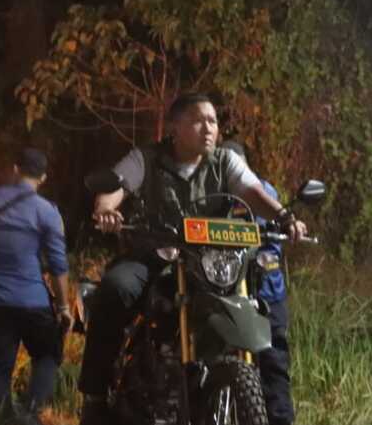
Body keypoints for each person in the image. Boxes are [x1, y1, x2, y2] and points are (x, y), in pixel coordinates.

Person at [80, 93, 307, 425]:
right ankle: (95, 396)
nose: (209, 128)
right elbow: (117, 186)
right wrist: (105, 211)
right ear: (175, 127)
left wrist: (285, 218)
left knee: (261, 307)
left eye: (213, 121)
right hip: (156, 257)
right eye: (199, 120)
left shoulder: (225, 161)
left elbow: (253, 192)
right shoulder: (147, 158)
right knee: (116, 288)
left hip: (207, 263)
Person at [0, 148, 72, 423]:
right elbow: (59, 266)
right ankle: (31, 413)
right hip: (33, 302)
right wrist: (63, 307)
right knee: (48, 354)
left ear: (15, 169)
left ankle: (3, 420)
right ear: (44, 177)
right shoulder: (48, 212)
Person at [221, 139, 295, 425]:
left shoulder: (264, 192)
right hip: (223, 289)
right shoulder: (210, 194)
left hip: (265, 291)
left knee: (274, 364)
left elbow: (280, 224)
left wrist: (288, 224)